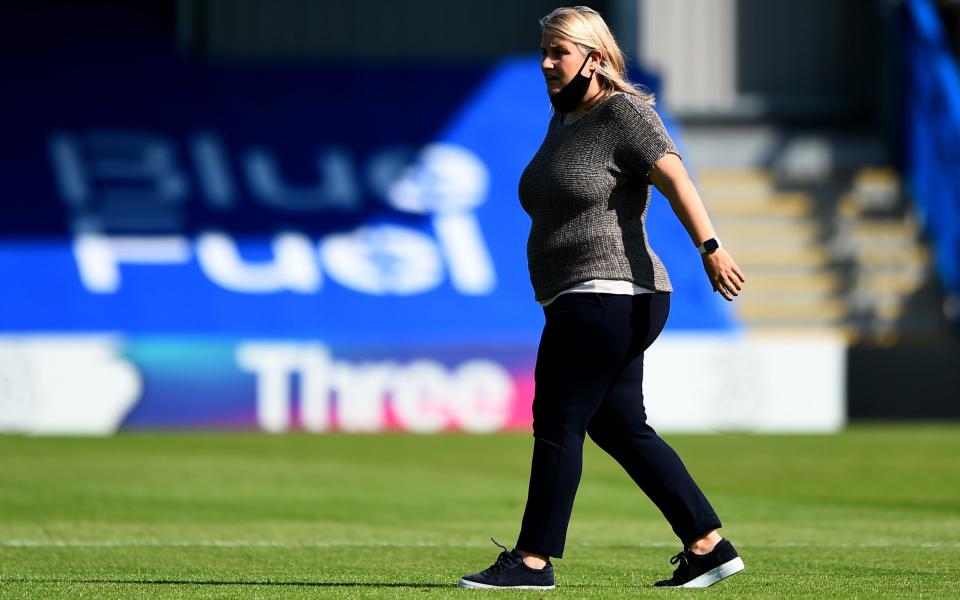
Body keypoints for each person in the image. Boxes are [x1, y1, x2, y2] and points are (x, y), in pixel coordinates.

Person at [458, 5, 747, 591]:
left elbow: (675, 178)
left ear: (594, 56)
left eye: (558, 52)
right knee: (619, 426)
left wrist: (710, 246)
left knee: (557, 421)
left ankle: (533, 560)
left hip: (606, 294)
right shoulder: (564, 121)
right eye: (543, 51)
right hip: (590, 298)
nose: (546, 62)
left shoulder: (623, 113)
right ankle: (707, 545)